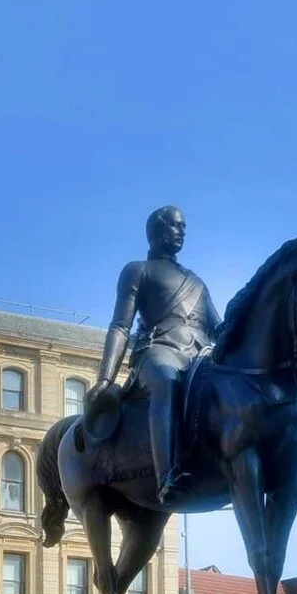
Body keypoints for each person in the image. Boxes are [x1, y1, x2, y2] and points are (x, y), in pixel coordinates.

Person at [91, 205, 221, 504]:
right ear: (157, 230)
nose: (182, 232)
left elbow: (218, 328)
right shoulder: (138, 270)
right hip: (159, 351)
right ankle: (167, 475)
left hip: (200, 356)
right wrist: (105, 378)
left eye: (184, 226)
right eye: (176, 225)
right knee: (166, 379)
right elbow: (120, 326)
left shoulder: (196, 281)